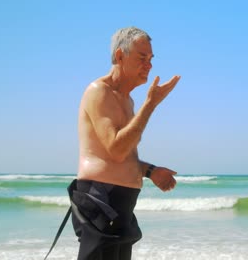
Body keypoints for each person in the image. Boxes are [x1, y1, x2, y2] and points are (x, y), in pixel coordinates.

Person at [70, 26, 181, 260]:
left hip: (121, 203)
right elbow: (116, 149)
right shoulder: (99, 91)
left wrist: (150, 171)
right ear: (120, 56)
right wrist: (150, 104)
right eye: (142, 57)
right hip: (100, 199)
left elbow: (120, 154)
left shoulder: (127, 100)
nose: (149, 65)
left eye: (151, 58)